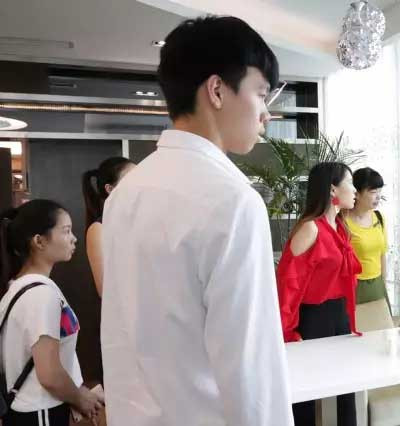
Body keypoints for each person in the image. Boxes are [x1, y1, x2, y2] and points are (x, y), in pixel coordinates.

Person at [100, 16, 294, 426]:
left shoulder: (126, 194)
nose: (266, 114)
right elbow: (251, 369)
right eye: (261, 94)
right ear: (217, 90)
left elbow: (117, 338)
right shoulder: (233, 201)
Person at [0, 200, 104, 425]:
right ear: (39, 241)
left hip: (31, 409)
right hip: (40, 411)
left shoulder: (19, 287)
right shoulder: (40, 294)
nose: (74, 238)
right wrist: (81, 398)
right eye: (66, 231)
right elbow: (49, 374)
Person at [277, 161, 362, 426]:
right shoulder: (310, 228)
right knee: (310, 401)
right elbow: (288, 286)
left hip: (339, 319)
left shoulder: (341, 228)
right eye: (350, 183)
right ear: (332, 189)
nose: (355, 190)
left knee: (344, 394)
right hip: (313, 322)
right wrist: (288, 334)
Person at [82, 156, 135, 297]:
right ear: (110, 189)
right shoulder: (98, 229)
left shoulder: (140, 222)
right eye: (131, 180)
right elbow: (104, 289)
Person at [344, 167, 389, 312]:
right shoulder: (343, 221)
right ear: (356, 193)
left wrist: (383, 283)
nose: (378, 196)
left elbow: (382, 255)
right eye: (373, 192)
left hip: (377, 285)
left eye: (380, 191)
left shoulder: (379, 218)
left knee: (381, 325)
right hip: (355, 286)